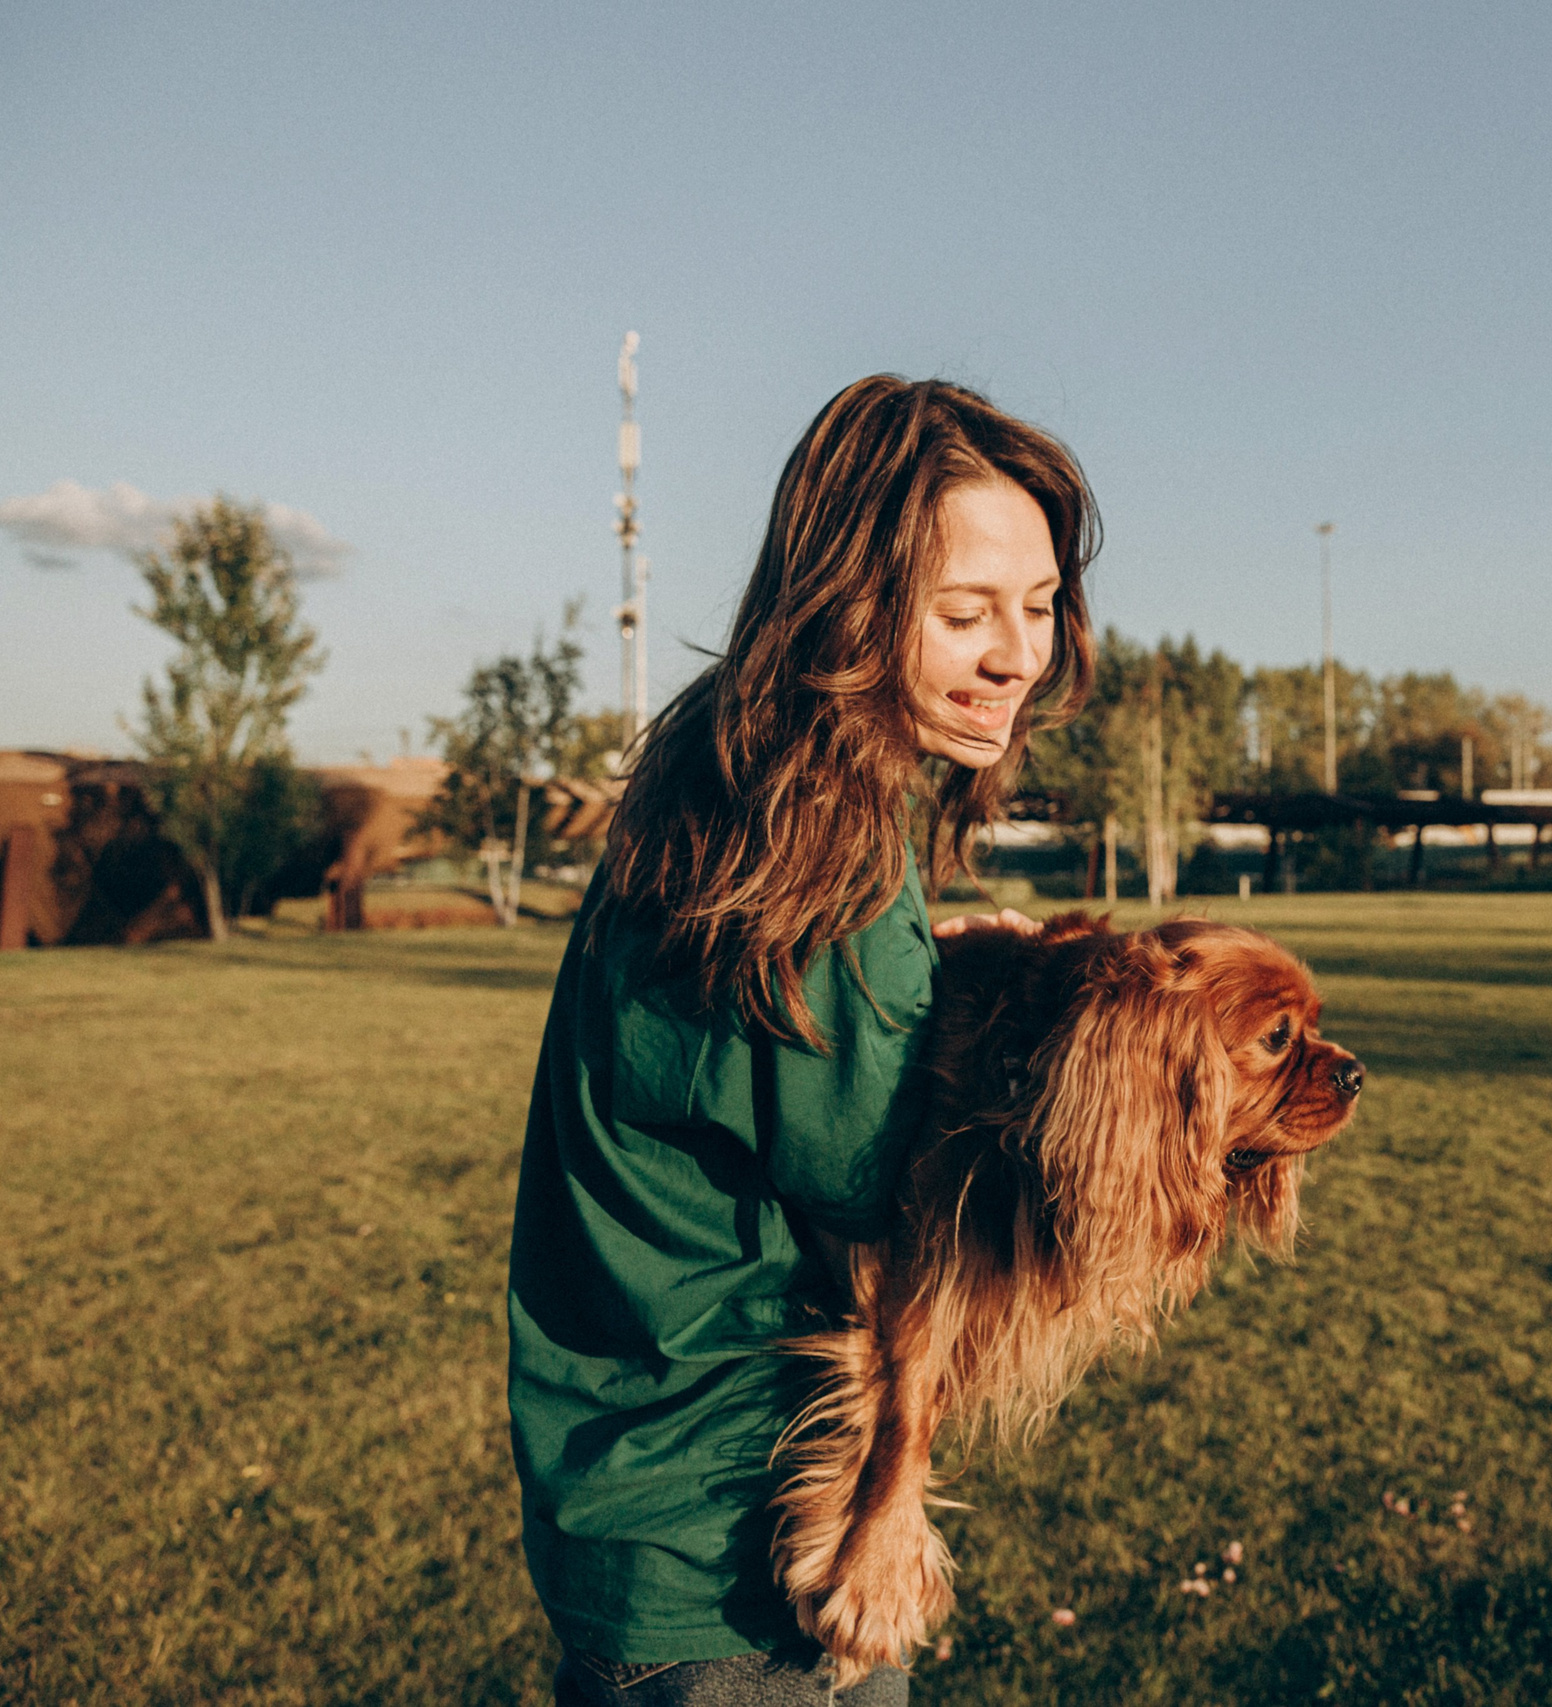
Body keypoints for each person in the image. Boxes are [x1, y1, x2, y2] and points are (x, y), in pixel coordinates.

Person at [506, 376, 1097, 1706]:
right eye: (965, 613)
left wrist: (937, 977)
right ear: (850, 605)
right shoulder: (834, 861)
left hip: (623, 1511)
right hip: (745, 1560)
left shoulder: (723, 794)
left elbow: (765, 1089)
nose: (1019, 652)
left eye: (1041, 603)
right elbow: (888, 1201)